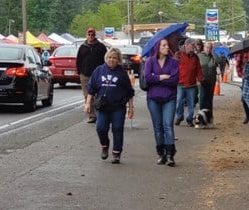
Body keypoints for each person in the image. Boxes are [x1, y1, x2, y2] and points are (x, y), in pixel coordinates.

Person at [84, 47, 135, 164]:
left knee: (117, 129)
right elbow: (91, 89)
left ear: (118, 60)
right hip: (103, 107)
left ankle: (116, 153)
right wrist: (88, 104)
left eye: (114, 58)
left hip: (118, 106)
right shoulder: (99, 71)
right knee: (101, 128)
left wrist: (131, 108)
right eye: (109, 57)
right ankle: (104, 145)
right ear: (106, 58)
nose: (111, 60)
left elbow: (129, 92)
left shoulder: (122, 73)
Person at [143, 38, 180, 166]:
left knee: (168, 125)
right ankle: (161, 154)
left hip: (169, 98)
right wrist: (162, 77)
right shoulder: (150, 62)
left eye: (167, 45)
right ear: (158, 47)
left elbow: (174, 80)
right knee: (157, 127)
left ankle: (170, 154)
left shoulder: (173, 62)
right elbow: (147, 78)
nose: (166, 47)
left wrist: (156, 79)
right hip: (153, 99)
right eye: (163, 45)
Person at [77, 28, 108, 123]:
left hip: (98, 74)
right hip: (85, 74)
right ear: (86, 35)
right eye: (89, 34)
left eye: (92, 35)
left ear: (95, 36)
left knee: (99, 94)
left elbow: (106, 59)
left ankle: (100, 113)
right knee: (87, 95)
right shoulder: (82, 47)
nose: (90, 36)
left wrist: (105, 71)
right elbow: (78, 60)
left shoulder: (101, 47)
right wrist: (80, 72)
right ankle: (92, 115)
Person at [174, 39, 203, 127]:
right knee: (179, 101)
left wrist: (200, 79)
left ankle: (189, 119)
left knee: (191, 103)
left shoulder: (195, 57)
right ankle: (179, 116)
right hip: (180, 83)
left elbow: (198, 69)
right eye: (192, 45)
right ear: (186, 45)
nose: (194, 47)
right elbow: (173, 67)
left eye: (194, 45)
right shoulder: (178, 55)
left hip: (191, 84)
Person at [197, 40, 218, 127]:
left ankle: (209, 119)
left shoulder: (213, 56)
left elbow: (219, 61)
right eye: (207, 47)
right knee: (202, 100)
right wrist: (197, 79)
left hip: (211, 81)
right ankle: (201, 120)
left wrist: (213, 53)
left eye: (210, 48)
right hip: (202, 81)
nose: (208, 49)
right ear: (203, 47)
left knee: (209, 101)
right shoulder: (199, 56)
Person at [235, 51, 249, 124]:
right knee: (244, 98)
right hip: (246, 78)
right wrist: (241, 75)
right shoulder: (242, 52)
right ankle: (248, 115)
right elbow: (238, 64)